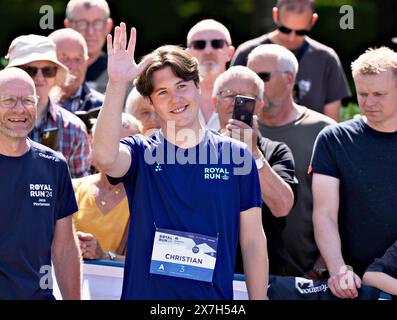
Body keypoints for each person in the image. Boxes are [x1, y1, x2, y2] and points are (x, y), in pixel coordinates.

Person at [92, 23, 268, 299]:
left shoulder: (236, 155)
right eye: (162, 92)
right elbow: (103, 157)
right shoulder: (140, 151)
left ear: (198, 86)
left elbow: (253, 241)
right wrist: (116, 83)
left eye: (182, 86)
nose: (175, 98)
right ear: (150, 101)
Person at [310, 46, 397, 298]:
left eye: (379, 94)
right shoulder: (334, 139)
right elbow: (324, 213)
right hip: (352, 283)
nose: (369, 103)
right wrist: (338, 270)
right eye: (362, 93)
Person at [247, 43, 335, 277]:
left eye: (262, 76)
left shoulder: (324, 131)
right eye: (249, 75)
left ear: (289, 78)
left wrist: (321, 266)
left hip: (308, 274)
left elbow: (344, 209)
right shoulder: (232, 134)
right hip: (247, 273)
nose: (254, 84)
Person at [0, 67, 81, 299]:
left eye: (27, 100)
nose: (19, 109)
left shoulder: (54, 165)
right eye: (9, 101)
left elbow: (64, 247)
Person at [212, 65, 298, 275]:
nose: (235, 103)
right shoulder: (197, 150)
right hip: (209, 268)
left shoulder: (275, 151)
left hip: (264, 271)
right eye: (229, 95)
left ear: (259, 106)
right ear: (215, 103)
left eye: (245, 98)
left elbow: (282, 206)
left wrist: (252, 153)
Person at [231, 0, 351, 121]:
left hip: (310, 138)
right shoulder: (247, 53)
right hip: (255, 137)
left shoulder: (326, 58)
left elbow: (331, 124)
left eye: (300, 32)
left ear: (313, 21)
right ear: (275, 15)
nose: (291, 37)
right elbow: (232, 107)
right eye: (285, 29)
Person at [5, 34, 91, 178]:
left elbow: (79, 192)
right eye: (30, 70)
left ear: (56, 75)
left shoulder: (74, 129)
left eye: (47, 71)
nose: (39, 77)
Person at [73, 113, 141, 262]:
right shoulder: (72, 188)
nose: (114, 152)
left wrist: (104, 256)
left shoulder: (144, 198)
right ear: (93, 144)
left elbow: (146, 262)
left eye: (124, 146)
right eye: (108, 143)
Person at [186, 19, 235, 130]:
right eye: (199, 45)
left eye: (217, 44)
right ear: (188, 55)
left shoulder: (245, 97)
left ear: (230, 53)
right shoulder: (175, 97)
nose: (208, 51)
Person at [48, 28, 104, 113]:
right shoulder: (32, 104)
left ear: (86, 62)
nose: (72, 66)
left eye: (78, 59)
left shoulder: (101, 107)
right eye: (64, 58)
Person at [64, 0, 113, 93]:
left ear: (108, 26)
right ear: (68, 25)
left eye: (97, 23)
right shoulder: (48, 73)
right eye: (81, 24)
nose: (90, 32)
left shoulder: (120, 76)